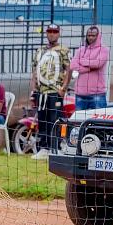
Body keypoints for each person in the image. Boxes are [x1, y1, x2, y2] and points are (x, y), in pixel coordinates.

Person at [30, 23, 71, 160]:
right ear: (46, 33)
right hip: (41, 92)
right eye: (49, 31)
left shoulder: (63, 50)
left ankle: (55, 148)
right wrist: (33, 91)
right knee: (42, 119)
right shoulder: (40, 50)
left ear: (58, 33)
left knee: (55, 120)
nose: (52, 34)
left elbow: (68, 69)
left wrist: (63, 88)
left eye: (54, 31)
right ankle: (44, 148)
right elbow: (34, 71)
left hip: (55, 91)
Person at [70, 26, 110, 110]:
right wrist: (89, 68)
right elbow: (73, 65)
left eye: (93, 35)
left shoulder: (104, 50)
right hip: (80, 94)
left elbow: (98, 64)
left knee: (99, 118)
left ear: (98, 36)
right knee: (79, 118)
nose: (91, 37)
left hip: (97, 94)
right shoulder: (80, 50)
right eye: (89, 35)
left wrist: (82, 61)